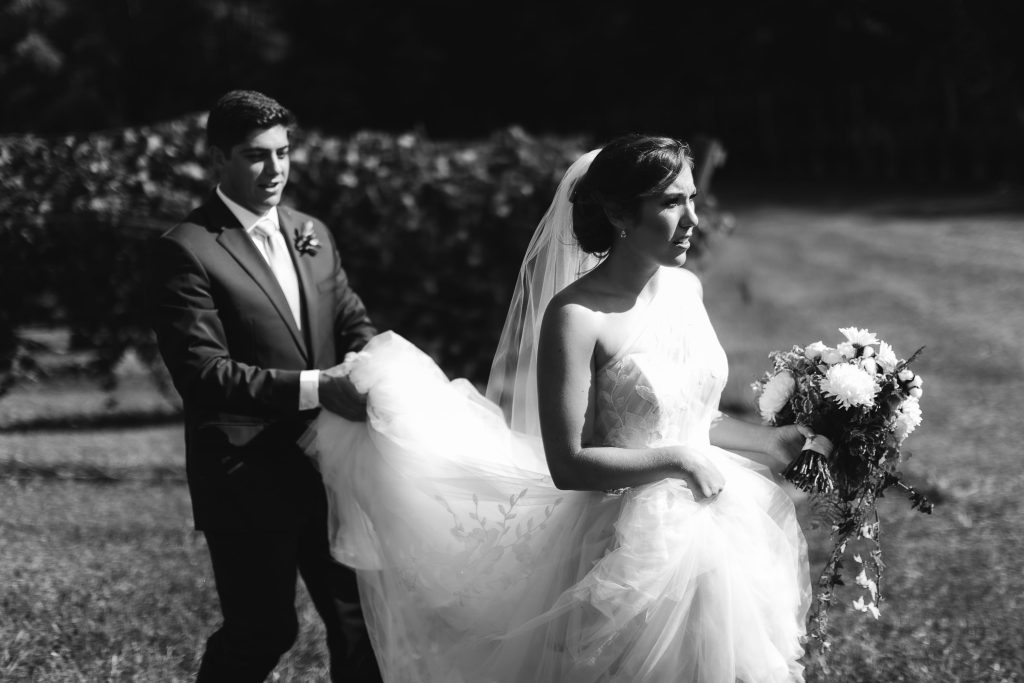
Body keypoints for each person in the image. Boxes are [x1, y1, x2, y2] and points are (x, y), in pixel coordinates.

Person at [309, 135, 812, 682]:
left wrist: (771, 443)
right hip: (629, 546)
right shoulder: (577, 316)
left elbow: (691, 416)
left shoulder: (685, 288)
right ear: (620, 213)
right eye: (671, 202)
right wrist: (678, 462)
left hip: (716, 527)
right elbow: (568, 461)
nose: (692, 218)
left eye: (691, 198)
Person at [149, 90, 382, 682]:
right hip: (248, 476)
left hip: (333, 467)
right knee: (265, 629)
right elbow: (202, 372)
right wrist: (316, 387)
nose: (275, 170)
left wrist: (374, 368)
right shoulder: (187, 249)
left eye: (283, 152)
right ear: (218, 158)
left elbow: (352, 322)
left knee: (361, 627)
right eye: (256, 156)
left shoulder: (313, 233)